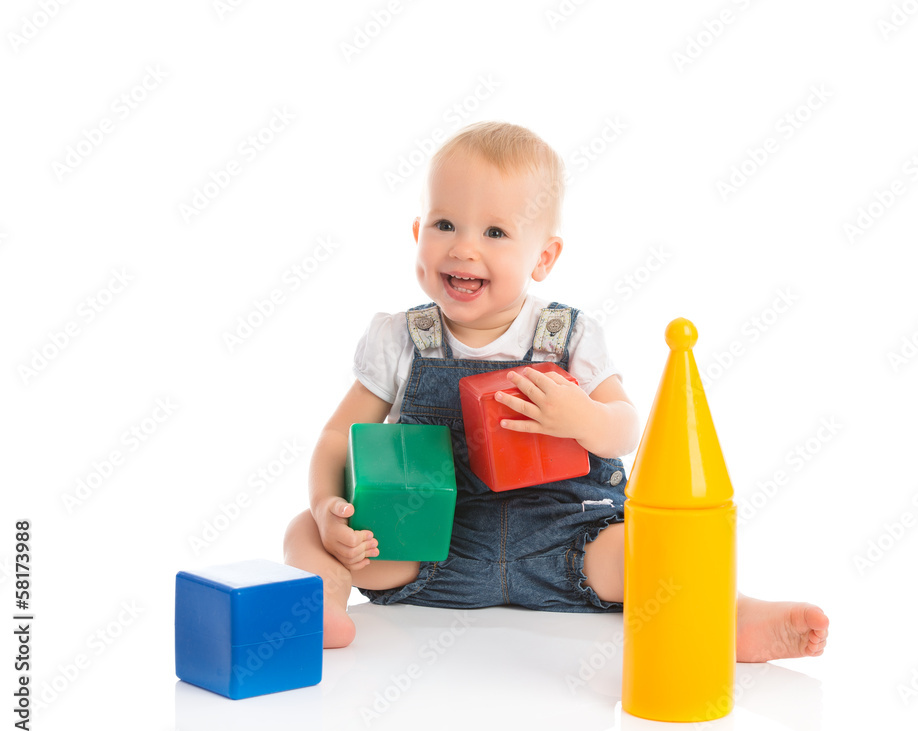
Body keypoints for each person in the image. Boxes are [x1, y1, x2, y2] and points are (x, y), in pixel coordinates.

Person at [284, 121, 830, 660]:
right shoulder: (399, 338)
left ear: (543, 258)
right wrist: (328, 508)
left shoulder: (566, 337)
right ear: (417, 233)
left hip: (569, 537)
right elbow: (338, 436)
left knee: (659, 545)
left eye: (495, 233)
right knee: (302, 530)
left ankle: (726, 616)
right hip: (433, 544)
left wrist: (582, 419)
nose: (464, 249)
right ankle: (325, 598)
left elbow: (625, 425)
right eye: (445, 224)